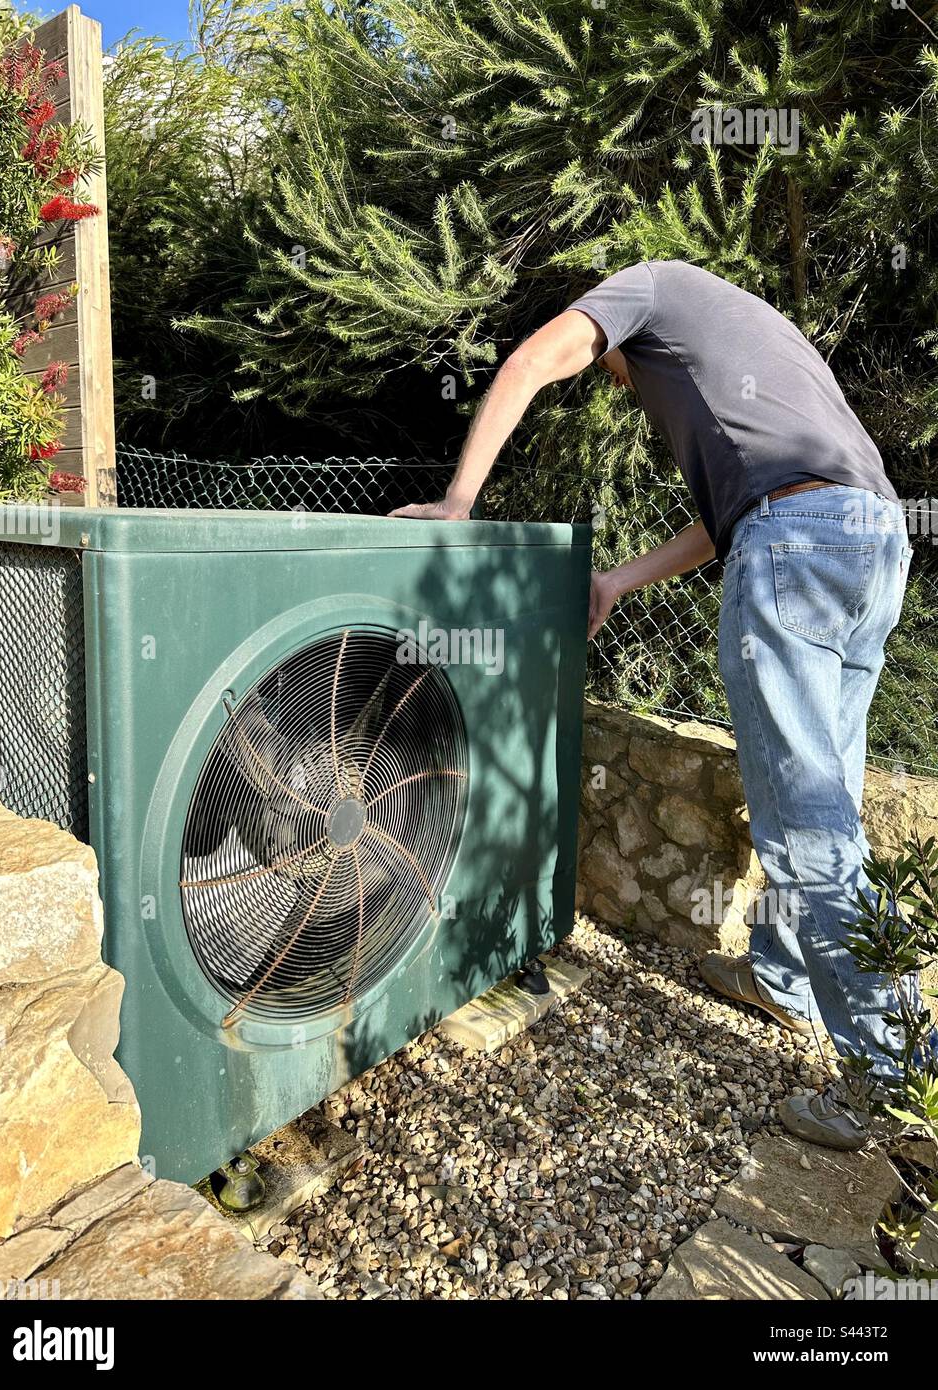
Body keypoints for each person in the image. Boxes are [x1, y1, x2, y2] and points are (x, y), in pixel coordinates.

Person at [391, 259, 924, 1151]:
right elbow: (731, 519)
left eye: (613, 363)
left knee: (807, 829)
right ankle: (783, 978)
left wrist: (457, 502)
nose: (616, 378)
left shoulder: (649, 285)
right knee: (823, 794)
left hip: (795, 546)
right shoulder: (758, 349)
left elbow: (527, 361)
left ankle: (894, 1076)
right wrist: (618, 583)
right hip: (871, 543)